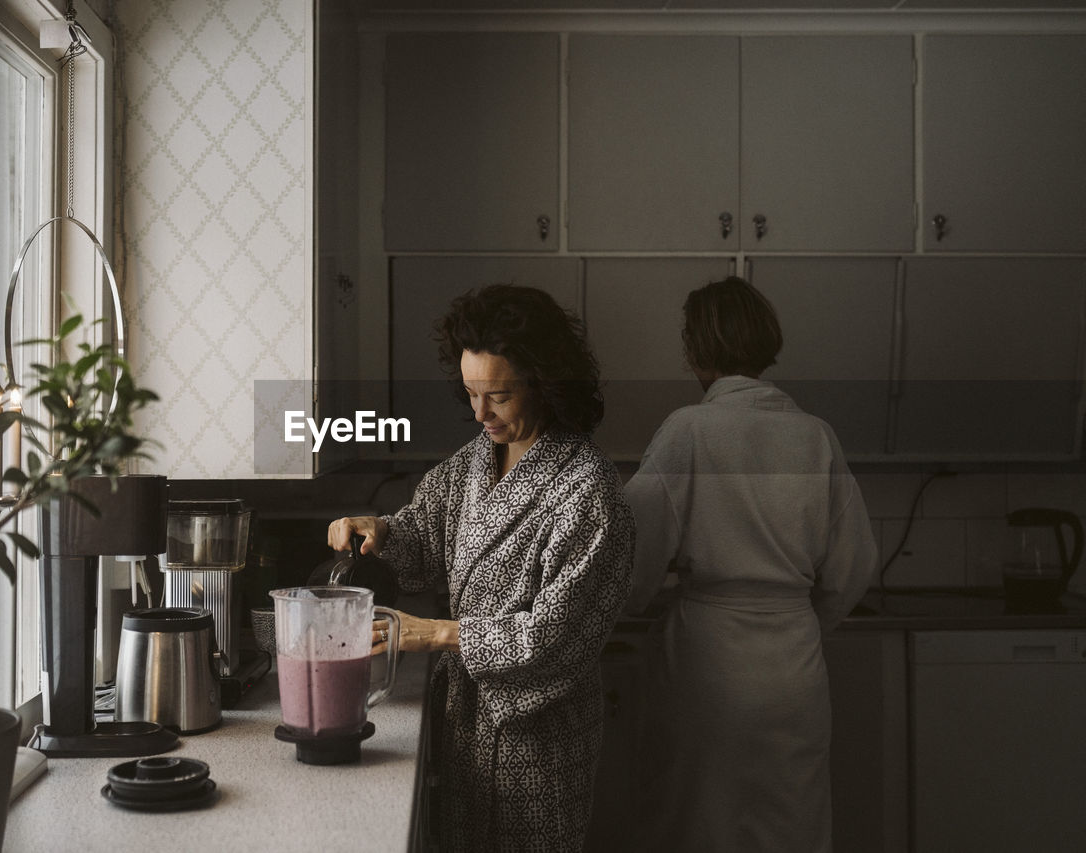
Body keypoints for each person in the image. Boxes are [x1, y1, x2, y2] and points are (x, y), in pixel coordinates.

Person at [328, 284, 634, 852]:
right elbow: (424, 532)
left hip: (536, 741)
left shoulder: (587, 490)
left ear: (543, 383)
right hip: (465, 725)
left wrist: (440, 634)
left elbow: (556, 635)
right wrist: (383, 531)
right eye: (469, 393)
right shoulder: (474, 461)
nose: (479, 413)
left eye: (498, 395)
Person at [624, 276, 879, 853]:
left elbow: (633, 553)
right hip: (794, 667)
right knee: (791, 825)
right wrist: (800, 618)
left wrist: (634, 601)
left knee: (694, 823)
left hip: (706, 660)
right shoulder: (816, 437)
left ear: (693, 351)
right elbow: (854, 565)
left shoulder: (688, 430)